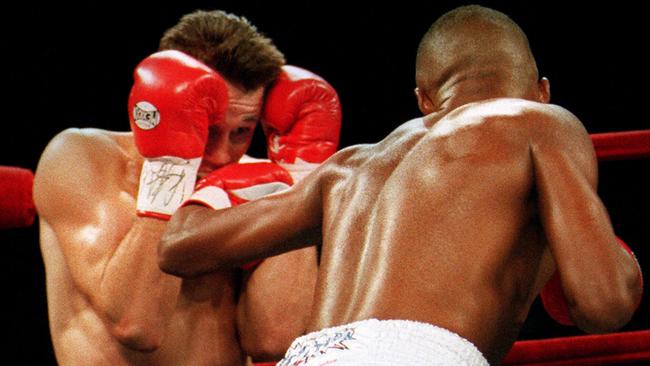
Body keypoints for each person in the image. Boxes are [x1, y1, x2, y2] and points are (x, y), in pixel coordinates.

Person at [157, 5, 643, 365]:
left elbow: (179, 247)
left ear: (424, 100)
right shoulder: (540, 122)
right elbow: (602, 303)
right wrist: (610, 257)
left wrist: (203, 175)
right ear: (542, 90)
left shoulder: (349, 167)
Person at [34, 10, 340, 365]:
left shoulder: (260, 180)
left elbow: (276, 338)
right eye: (207, 128)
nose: (224, 154)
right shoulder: (82, 158)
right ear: (164, 108)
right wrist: (172, 168)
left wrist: (296, 185)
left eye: (242, 131)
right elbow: (138, 325)